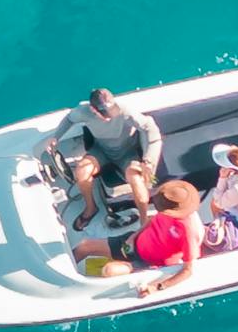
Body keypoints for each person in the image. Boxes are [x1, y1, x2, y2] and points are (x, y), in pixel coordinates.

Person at [73, 179, 216, 300]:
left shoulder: (190, 231)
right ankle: (65, 282)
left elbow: (188, 270)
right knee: (84, 246)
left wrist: (157, 286)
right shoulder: (167, 210)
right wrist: (133, 236)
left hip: (148, 263)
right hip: (134, 243)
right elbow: (152, 220)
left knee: (109, 271)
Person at [55, 88, 163, 231]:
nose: (110, 117)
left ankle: (143, 220)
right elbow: (69, 119)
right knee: (81, 171)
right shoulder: (82, 112)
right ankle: (91, 208)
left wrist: (148, 161)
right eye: (105, 115)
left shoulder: (125, 110)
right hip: (102, 151)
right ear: (93, 109)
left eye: (112, 112)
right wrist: (55, 137)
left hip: (127, 154)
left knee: (136, 180)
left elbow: (149, 128)